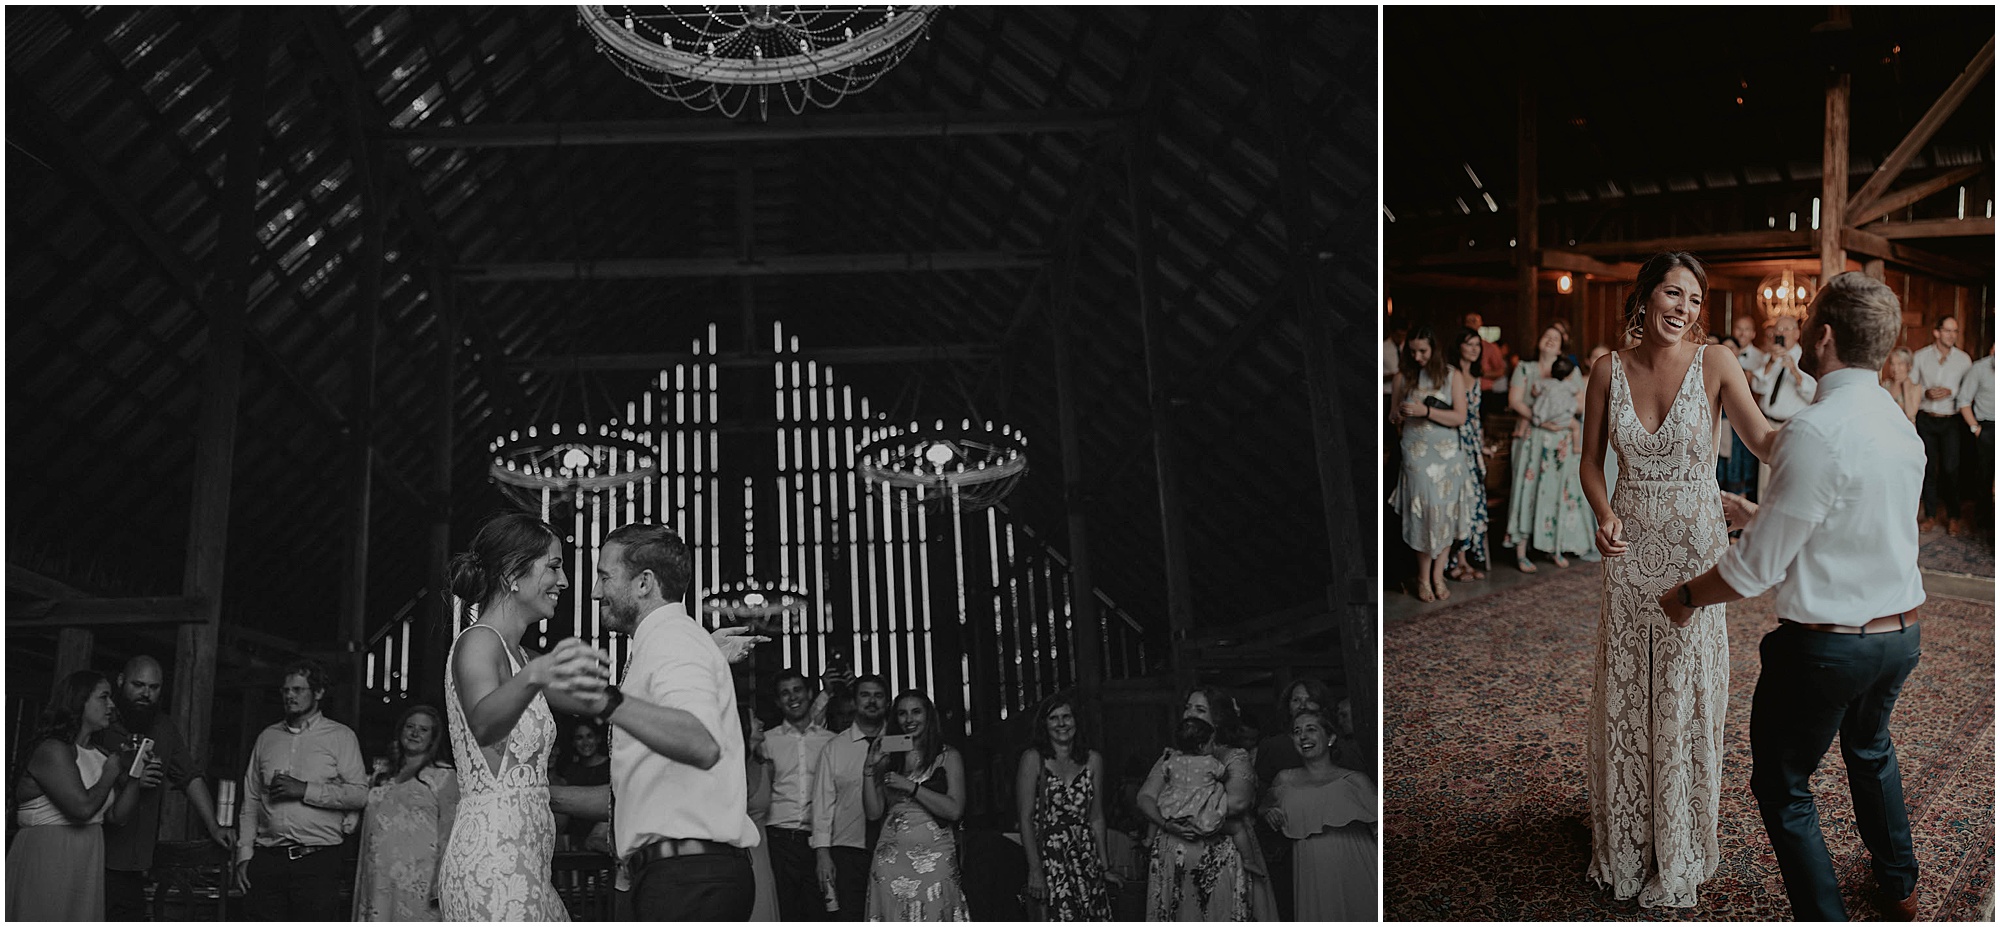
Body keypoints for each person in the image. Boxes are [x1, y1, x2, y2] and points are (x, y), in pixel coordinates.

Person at [1658, 272, 1925, 920]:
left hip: (1828, 650)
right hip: (1900, 633)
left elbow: (1751, 573)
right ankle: (1900, 883)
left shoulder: (1814, 429)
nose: (1799, 328)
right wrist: (1762, 509)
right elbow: (1856, 521)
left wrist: (1687, 593)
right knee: (1870, 749)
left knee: (1782, 785)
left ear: (1824, 338)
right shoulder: (1897, 421)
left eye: (1805, 319)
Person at [1578, 251, 1776, 908]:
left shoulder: (1715, 361)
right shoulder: (1607, 367)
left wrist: (1826, 422)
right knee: (1631, 696)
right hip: (1630, 556)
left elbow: (1764, 439)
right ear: (1644, 296)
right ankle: (1631, 844)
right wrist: (1605, 515)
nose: (1684, 308)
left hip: (1696, 554)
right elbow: (1590, 463)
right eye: (1673, 293)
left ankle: (1680, 843)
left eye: (1694, 299)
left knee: (1686, 696)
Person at [583, 522, 762, 920]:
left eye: (604, 577)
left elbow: (699, 740)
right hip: (677, 875)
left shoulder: (673, 640)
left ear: (644, 582)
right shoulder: (665, 642)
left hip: (688, 881)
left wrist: (601, 698)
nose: (596, 591)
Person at [437, 512, 609, 921]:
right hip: (493, 862)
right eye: (554, 566)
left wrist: (693, 659)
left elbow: (606, 702)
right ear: (514, 572)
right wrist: (534, 675)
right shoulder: (478, 642)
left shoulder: (523, 659)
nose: (564, 581)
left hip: (528, 861)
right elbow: (483, 723)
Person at [7, 671, 153, 921]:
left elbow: (117, 817)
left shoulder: (100, 754)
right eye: (104, 697)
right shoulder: (52, 749)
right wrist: (111, 773)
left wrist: (135, 774)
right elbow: (82, 809)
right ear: (80, 701)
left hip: (87, 856)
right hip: (50, 855)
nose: (111, 705)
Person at [235, 659, 371, 920]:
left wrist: (305, 790)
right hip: (267, 861)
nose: (289, 696)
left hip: (317, 862)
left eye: (298, 690)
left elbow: (359, 794)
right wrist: (244, 855)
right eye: (285, 690)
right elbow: (251, 800)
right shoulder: (267, 738)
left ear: (318, 693)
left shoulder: (340, 737)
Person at [101, 654, 232, 920]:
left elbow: (190, 777)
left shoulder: (164, 727)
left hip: (137, 864)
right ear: (121, 681)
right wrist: (130, 779)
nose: (146, 694)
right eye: (138, 685)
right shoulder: (99, 723)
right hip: (95, 855)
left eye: (154, 687)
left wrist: (214, 825)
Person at [1137, 687, 1256, 921]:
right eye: (1188, 708)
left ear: (1218, 719)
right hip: (1172, 856)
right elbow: (1145, 797)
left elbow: (1238, 802)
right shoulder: (1172, 757)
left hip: (1214, 858)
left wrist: (1182, 815)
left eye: (1200, 709)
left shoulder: (1234, 757)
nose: (1190, 713)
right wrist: (1166, 822)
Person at [863, 689, 969, 921]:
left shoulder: (948, 756)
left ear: (928, 715)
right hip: (891, 858)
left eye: (916, 712)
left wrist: (910, 787)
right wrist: (870, 767)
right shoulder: (890, 759)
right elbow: (873, 813)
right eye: (902, 713)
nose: (909, 719)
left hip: (936, 857)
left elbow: (954, 810)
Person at [1266, 708, 1375, 921]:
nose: (1303, 736)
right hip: (1312, 873)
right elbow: (1264, 809)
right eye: (1297, 731)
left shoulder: (1355, 780)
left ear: (1331, 737)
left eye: (1311, 729)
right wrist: (1269, 813)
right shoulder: (1284, 780)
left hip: (1359, 866)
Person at [354, 704, 459, 921]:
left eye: (423, 729)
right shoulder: (382, 775)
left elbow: (450, 834)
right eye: (410, 727)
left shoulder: (444, 776)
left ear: (433, 737)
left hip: (418, 877)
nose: (414, 733)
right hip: (377, 874)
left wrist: (441, 883)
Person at [1388, 325, 1470, 601]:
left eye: (1423, 351)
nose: (1418, 356)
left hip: (1447, 454)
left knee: (1446, 511)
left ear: (1434, 349)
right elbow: (1393, 417)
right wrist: (1398, 415)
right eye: (1412, 351)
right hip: (1416, 453)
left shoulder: (1451, 376)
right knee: (1424, 512)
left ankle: (1439, 573)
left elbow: (1460, 417)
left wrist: (1426, 411)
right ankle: (1423, 577)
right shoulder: (1403, 376)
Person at [1016, 690, 1111, 922]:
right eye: (1054, 718)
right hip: (1050, 859)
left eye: (1067, 717)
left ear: (1076, 721)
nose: (1061, 723)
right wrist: (1035, 870)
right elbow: (1025, 819)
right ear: (1044, 725)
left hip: (1086, 858)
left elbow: (1096, 817)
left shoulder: (1093, 760)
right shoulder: (1033, 759)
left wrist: (1105, 868)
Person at [1507, 323, 1591, 571]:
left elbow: (1581, 405)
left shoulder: (1571, 372)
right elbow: (1514, 401)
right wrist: (1541, 418)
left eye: (1556, 338)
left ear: (1562, 347)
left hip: (1560, 440)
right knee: (1527, 490)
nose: (1551, 340)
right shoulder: (1525, 368)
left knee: (1557, 493)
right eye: (1547, 335)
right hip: (1534, 437)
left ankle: (1555, 545)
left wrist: (1559, 414)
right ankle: (1522, 550)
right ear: (1539, 341)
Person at [812, 674, 890, 920]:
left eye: (878, 696)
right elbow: (822, 805)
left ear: (887, 702)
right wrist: (822, 854)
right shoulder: (834, 748)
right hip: (848, 851)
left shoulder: (901, 744)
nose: (871, 701)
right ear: (854, 702)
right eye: (865, 695)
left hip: (893, 846)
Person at [759, 669, 835, 921]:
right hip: (778, 842)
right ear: (778, 702)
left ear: (809, 693)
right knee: (784, 914)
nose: (793, 697)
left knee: (821, 914)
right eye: (785, 693)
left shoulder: (831, 742)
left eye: (797, 690)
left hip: (821, 843)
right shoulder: (766, 741)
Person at [1911, 314, 1972, 534]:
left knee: (1951, 469)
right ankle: (1930, 515)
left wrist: (1951, 392)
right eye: (1948, 330)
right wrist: (1926, 393)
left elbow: (1969, 389)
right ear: (1936, 332)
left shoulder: (1964, 359)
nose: (1952, 335)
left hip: (1951, 421)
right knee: (1927, 468)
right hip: (1926, 418)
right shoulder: (1920, 357)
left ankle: (1954, 516)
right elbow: (1912, 384)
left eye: (1955, 331)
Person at [1448, 326, 1492, 581]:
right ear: (1459, 347)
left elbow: (1477, 418)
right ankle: (1456, 561)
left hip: (1473, 443)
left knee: (1473, 499)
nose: (1474, 349)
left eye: (1478, 345)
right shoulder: (1450, 374)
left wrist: (1482, 445)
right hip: (1453, 441)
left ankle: (1467, 558)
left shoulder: (1476, 378)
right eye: (1469, 344)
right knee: (1458, 500)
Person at [744, 712, 781, 921]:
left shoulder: (766, 767)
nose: (761, 721)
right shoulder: (725, 767)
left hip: (760, 853)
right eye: (754, 718)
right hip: (735, 854)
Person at [555, 719, 611, 846]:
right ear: (573, 743)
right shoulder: (569, 771)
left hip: (605, 841)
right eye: (579, 738)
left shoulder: (611, 767)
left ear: (598, 739)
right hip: (576, 843)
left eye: (589, 736)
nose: (585, 742)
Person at [1958, 342, 1994, 536]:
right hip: (1987, 427)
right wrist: (1976, 429)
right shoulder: (1979, 368)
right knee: (1984, 477)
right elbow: (1963, 400)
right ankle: (1982, 525)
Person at [1881, 348, 1922, 422]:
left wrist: (1906, 386)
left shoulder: (1916, 388)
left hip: (1905, 430)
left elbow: (1910, 414)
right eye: (1892, 364)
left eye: (1900, 364)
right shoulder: (1886, 385)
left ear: (1909, 366)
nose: (1895, 368)